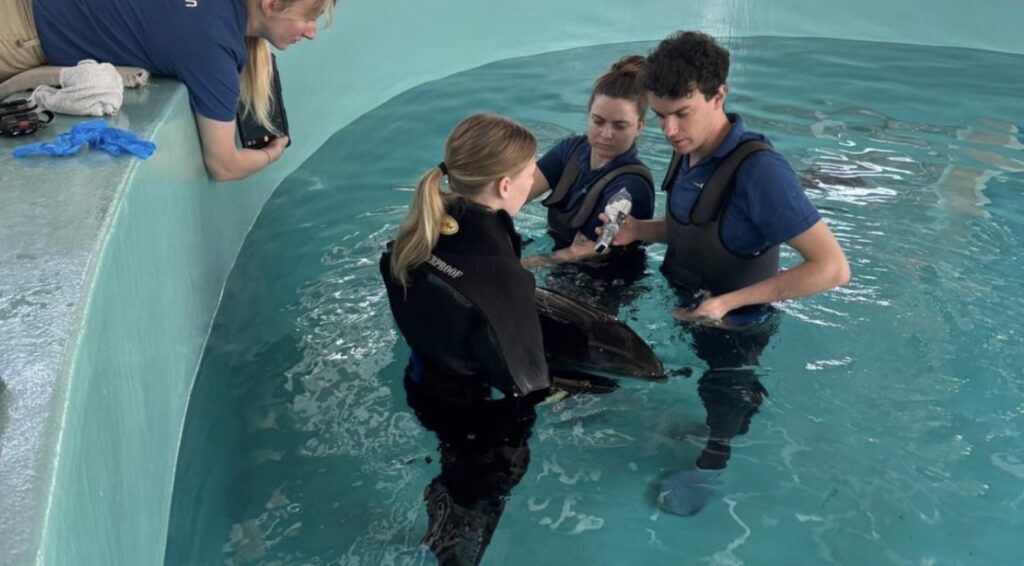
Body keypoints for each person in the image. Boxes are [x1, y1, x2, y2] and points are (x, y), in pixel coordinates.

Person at [600, 31, 850, 515]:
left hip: (735, 321)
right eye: (660, 116)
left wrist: (727, 304)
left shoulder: (762, 172)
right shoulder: (688, 147)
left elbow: (833, 268)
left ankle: (714, 460)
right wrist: (638, 231)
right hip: (692, 301)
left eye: (682, 113)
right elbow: (696, 226)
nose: (669, 130)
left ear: (718, 96)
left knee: (726, 389)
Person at [0, 0, 333, 181]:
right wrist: (273, 152)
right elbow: (224, 165)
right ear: (271, 4)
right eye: (309, 16)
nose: (310, 32)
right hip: (16, 30)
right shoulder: (213, 49)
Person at [521, 55, 656, 269]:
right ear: (588, 115)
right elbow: (517, 193)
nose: (606, 134)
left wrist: (518, 266)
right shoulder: (570, 150)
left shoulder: (631, 185)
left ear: (639, 126)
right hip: (556, 260)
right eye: (598, 121)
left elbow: (581, 252)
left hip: (600, 283)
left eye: (620, 126)